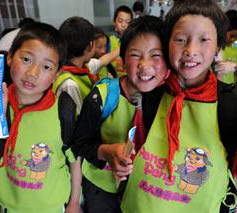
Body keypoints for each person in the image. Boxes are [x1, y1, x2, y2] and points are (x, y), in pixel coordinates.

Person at [113, 1, 237, 212]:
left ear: (218, 47)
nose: (190, 50)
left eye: (204, 39)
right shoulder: (153, 95)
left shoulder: (230, 105)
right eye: (180, 39)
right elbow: (135, 146)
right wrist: (121, 160)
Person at [0, 22, 81, 212]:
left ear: (57, 74)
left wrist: (74, 202)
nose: (33, 73)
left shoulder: (64, 108)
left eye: (46, 67)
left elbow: (74, 159)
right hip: (10, 205)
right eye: (27, 59)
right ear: (11, 56)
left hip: (53, 206)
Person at [72, 15, 169, 213]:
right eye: (135, 55)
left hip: (147, 190)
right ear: (122, 60)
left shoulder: (172, 101)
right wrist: (106, 151)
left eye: (156, 55)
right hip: (102, 188)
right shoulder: (102, 96)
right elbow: (80, 144)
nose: (145, 64)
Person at [53, 16, 96, 115]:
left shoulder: (78, 69)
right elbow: (78, 124)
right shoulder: (69, 84)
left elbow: (102, 61)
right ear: (89, 46)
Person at [214, 10, 237, 86]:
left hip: (229, 86)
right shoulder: (216, 44)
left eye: (236, 37)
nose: (233, 40)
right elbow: (219, 73)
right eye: (231, 36)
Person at [109, 5, 133, 76]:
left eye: (128, 22)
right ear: (114, 22)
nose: (123, 25)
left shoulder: (134, 42)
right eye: (120, 21)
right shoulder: (109, 42)